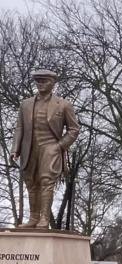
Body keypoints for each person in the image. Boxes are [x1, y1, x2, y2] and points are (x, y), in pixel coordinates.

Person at [12, 69, 80, 229]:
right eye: (38, 81)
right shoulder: (25, 104)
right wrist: (15, 149)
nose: (41, 84)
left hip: (51, 148)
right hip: (30, 148)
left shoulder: (63, 105)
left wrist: (59, 146)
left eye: (45, 81)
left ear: (53, 83)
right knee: (31, 182)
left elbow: (74, 129)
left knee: (46, 181)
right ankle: (33, 218)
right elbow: (19, 127)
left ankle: (44, 218)